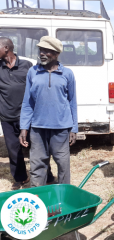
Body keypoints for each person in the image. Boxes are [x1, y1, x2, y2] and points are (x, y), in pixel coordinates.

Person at [19, 36, 78, 187]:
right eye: (41, 50)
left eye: (47, 51)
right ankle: (38, 197)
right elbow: (27, 102)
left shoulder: (67, 74)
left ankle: (65, 196)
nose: (42, 53)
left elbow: (72, 102)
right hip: (38, 129)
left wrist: (74, 128)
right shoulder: (33, 72)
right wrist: (24, 128)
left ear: (57, 53)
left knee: (63, 165)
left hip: (61, 128)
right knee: (37, 166)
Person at [0, 37, 54, 190]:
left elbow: (36, 88)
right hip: (7, 117)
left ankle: (48, 176)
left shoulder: (27, 65)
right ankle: (21, 178)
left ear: (6, 48)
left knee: (38, 148)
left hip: (28, 116)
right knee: (13, 149)